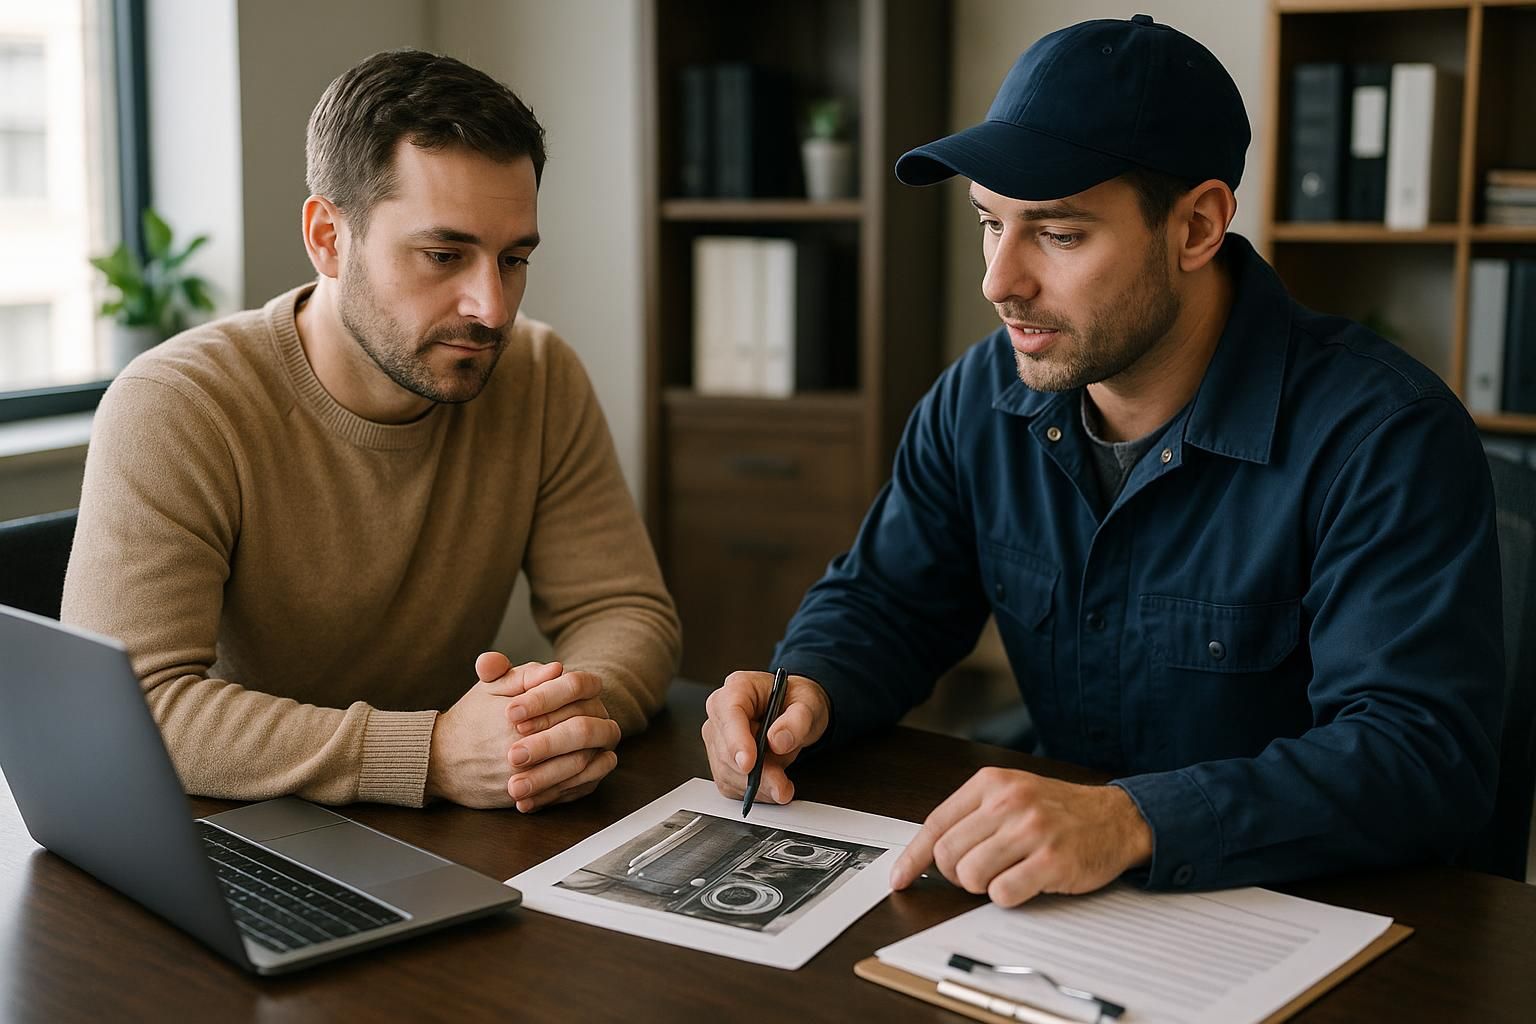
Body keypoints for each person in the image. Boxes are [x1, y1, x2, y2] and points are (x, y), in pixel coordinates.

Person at [701, 15, 1503, 904]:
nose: (998, 280)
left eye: (1059, 233)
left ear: (1197, 226)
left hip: (1308, 922)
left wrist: (1132, 821)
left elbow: (1418, 759)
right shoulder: (979, 399)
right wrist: (808, 683)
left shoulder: (1384, 436)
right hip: (1058, 909)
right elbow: (887, 601)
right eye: (988, 222)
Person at [63, 49, 680, 813]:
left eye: (513, 258)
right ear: (327, 236)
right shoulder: (177, 404)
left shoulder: (540, 375)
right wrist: (431, 754)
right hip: (229, 831)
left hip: (450, 827)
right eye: (444, 255)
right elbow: (135, 705)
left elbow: (623, 611)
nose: (492, 306)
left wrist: (555, 727)